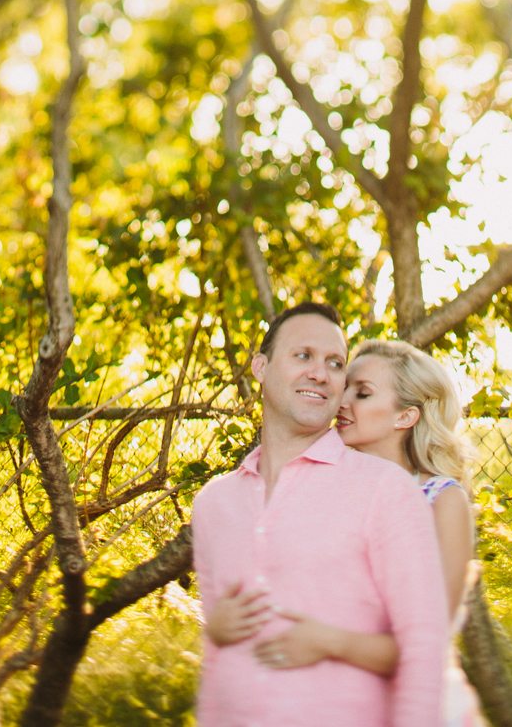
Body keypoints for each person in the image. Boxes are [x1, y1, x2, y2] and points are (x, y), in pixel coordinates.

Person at [192, 302, 449, 727]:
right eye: (303, 356)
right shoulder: (214, 503)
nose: (320, 373)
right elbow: (218, 656)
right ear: (260, 367)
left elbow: (423, 650)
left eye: (335, 363)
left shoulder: (385, 490)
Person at [249, 338, 486, 727]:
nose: (341, 402)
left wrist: (328, 642)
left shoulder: (441, 501)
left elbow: (425, 645)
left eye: (362, 393)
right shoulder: (317, 488)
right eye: (346, 388)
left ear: (404, 417)